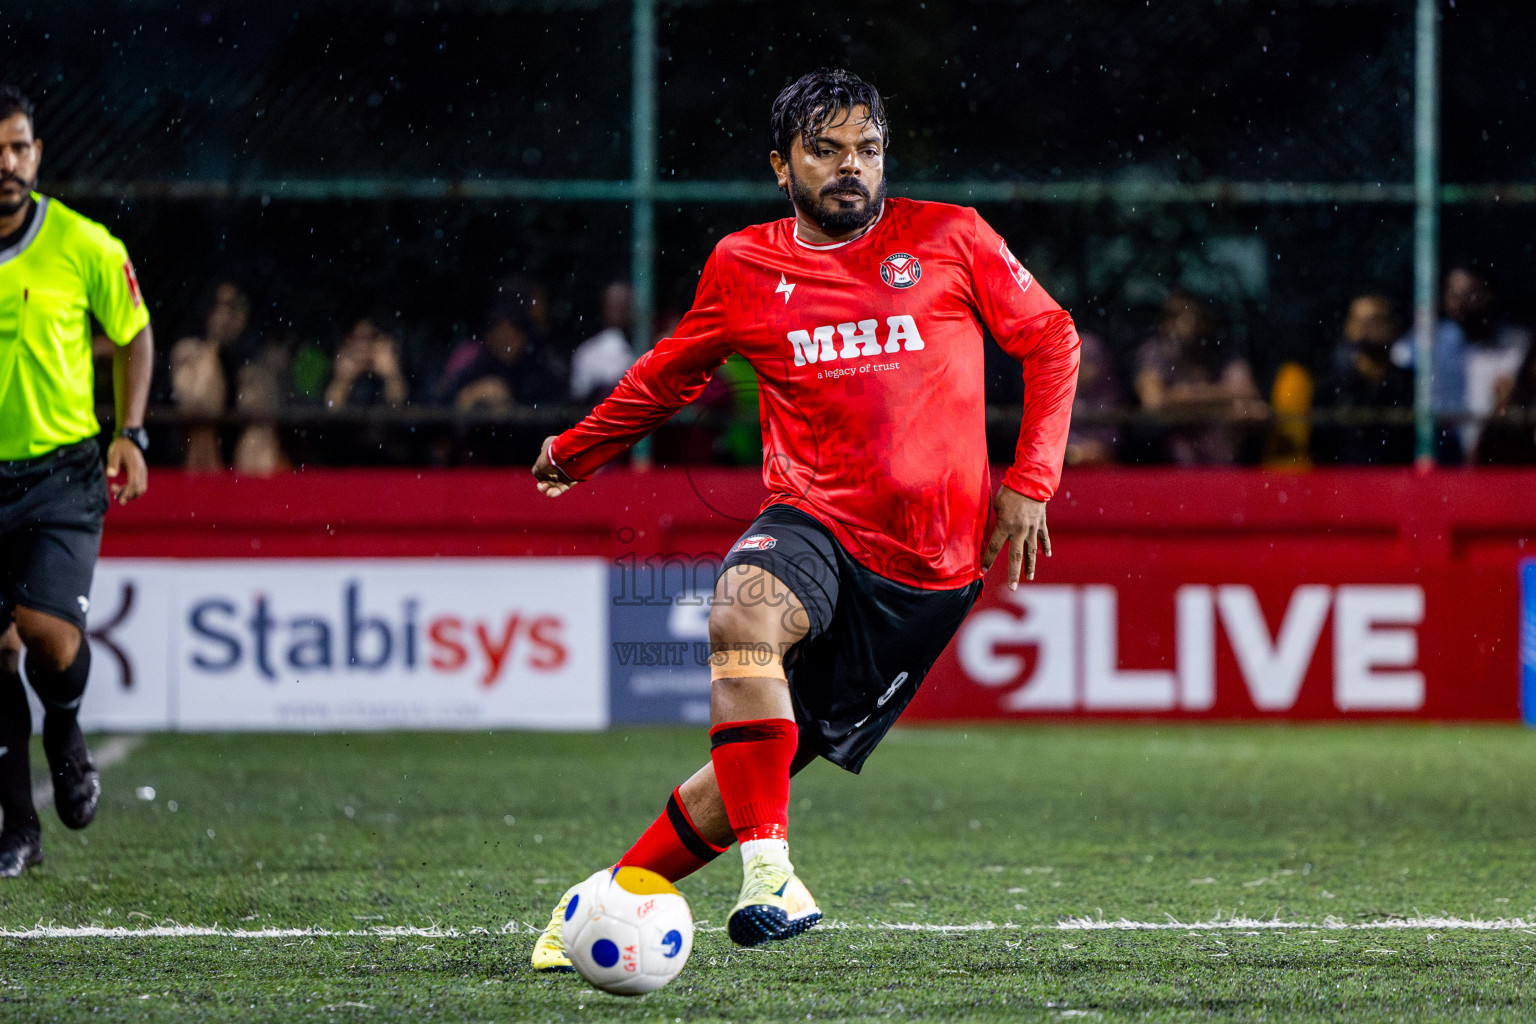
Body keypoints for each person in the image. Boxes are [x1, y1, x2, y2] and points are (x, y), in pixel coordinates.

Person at [528, 68, 1078, 965]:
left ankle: (603, 901)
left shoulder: (950, 235)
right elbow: (670, 373)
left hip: (927, 575)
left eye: (867, 149)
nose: (852, 167)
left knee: (756, 774)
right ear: (782, 166)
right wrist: (580, 448)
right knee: (741, 611)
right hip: (814, 520)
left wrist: (1032, 479)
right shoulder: (743, 265)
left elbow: (1052, 338)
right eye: (827, 151)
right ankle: (771, 877)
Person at [0, 85, 154, 877]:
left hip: (62, 473)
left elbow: (133, 331)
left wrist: (129, 431)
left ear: (37, 153)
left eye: (19, 147)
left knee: (46, 636)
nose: (7, 164)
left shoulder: (84, 244)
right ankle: (17, 828)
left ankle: (63, 726)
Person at [1133, 290, 1266, 465]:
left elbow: (1248, 392)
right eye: (1184, 317)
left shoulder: (1222, 352)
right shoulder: (1154, 352)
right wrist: (1220, 399)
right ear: (1166, 322)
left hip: (1222, 459)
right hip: (1169, 461)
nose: (1195, 324)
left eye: (1200, 316)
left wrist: (1183, 396)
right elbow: (1154, 401)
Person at [1314, 294, 1415, 466]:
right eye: (1358, 319)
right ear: (1348, 326)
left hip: (1396, 482)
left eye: (1374, 319)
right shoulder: (1331, 386)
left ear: (1391, 326)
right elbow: (1320, 445)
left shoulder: (1409, 384)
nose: (1365, 327)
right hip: (1342, 483)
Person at [569, 282, 638, 405]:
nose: (620, 311)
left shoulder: (648, 346)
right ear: (604, 307)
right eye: (615, 305)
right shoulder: (587, 352)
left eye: (625, 306)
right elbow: (578, 398)